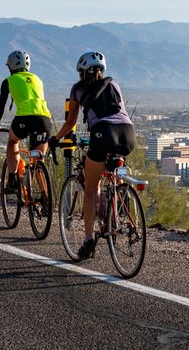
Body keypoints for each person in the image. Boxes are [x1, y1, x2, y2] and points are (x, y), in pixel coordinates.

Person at [50, 51, 135, 259]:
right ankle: (117, 207)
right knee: (114, 170)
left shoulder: (77, 89)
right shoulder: (114, 84)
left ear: (81, 72)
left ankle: (88, 241)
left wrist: (56, 139)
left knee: (90, 187)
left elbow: (71, 122)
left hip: (102, 132)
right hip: (127, 133)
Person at [0, 50, 54, 194]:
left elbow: (1, 106)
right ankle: (46, 199)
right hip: (45, 120)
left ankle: (12, 179)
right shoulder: (37, 79)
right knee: (37, 160)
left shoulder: (9, 81)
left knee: (12, 141)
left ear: (11, 67)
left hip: (24, 118)